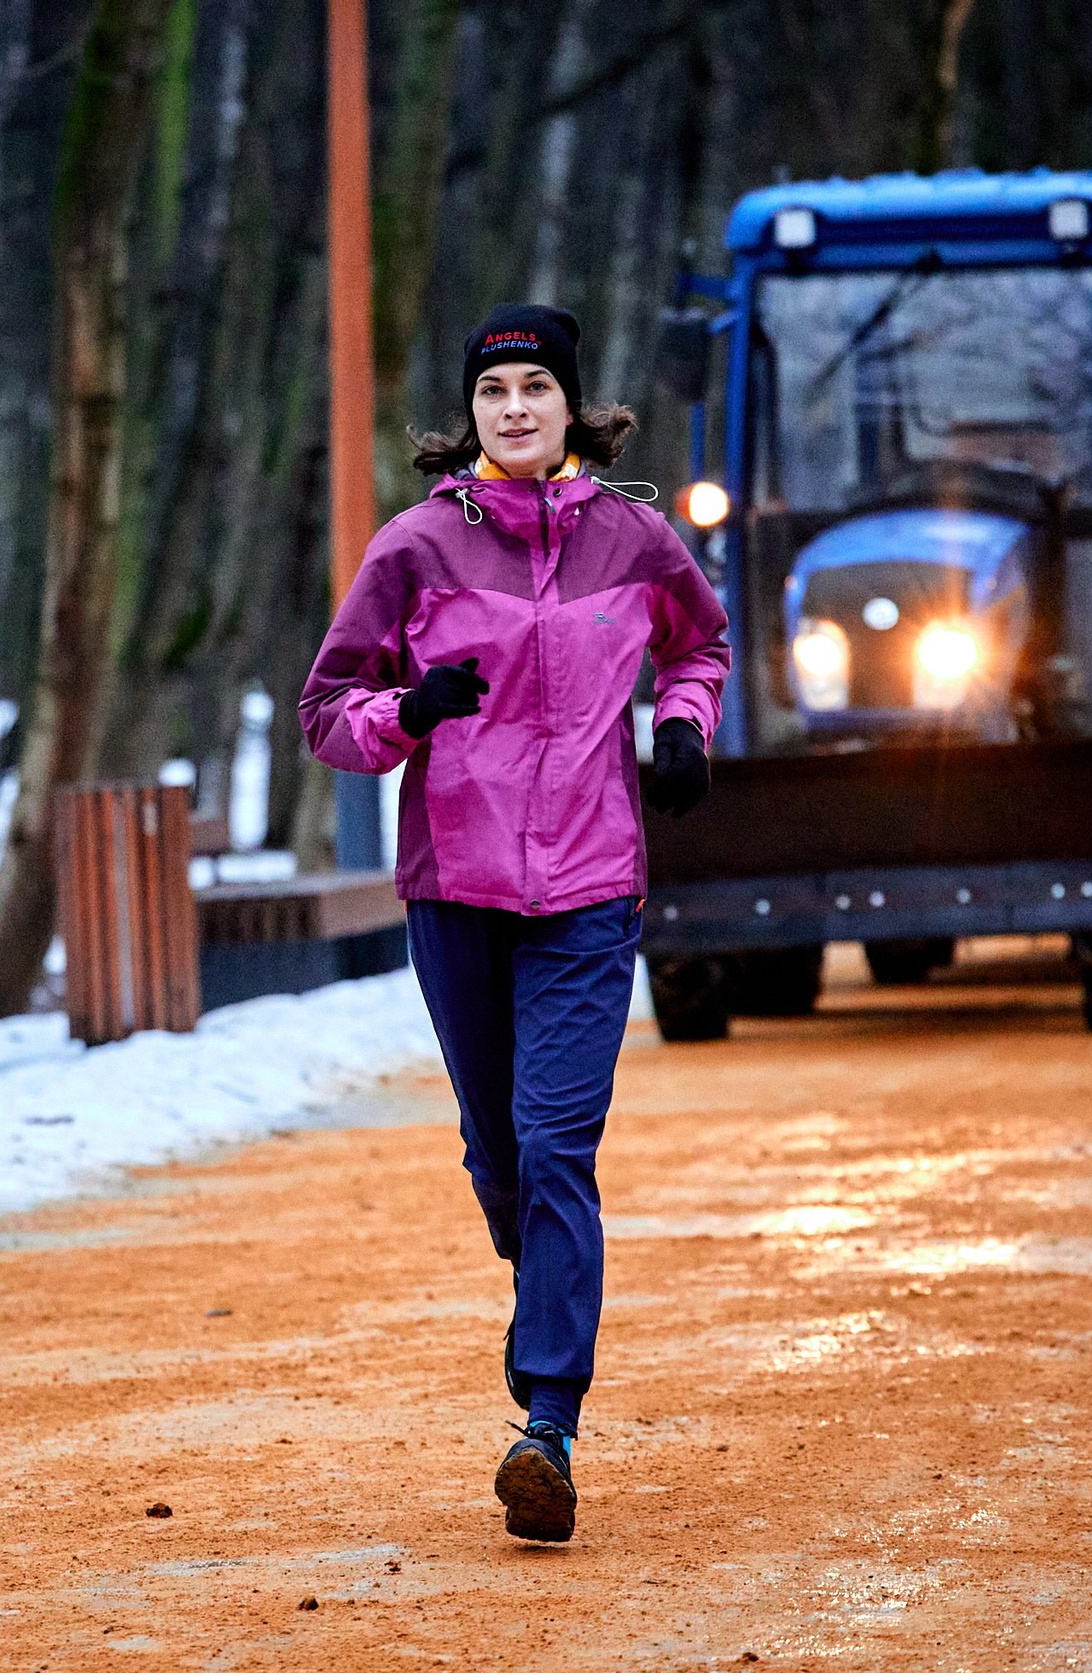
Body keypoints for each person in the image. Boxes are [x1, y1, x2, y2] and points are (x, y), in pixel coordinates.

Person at [300, 303, 730, 1542]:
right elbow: (329, 708)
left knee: (556, 1146)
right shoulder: (418, 546)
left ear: (571, 405)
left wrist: (685, 727)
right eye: (495, 394)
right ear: (472, 416)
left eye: (537, 388)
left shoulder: (635, 538)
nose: (516, 410)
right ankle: (538, 1274)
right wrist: (410, 712)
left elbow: (699, 648)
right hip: (456, 887)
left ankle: (547, 1421)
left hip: (591, 887)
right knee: (500, 1157)